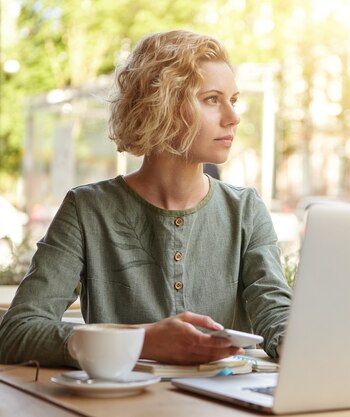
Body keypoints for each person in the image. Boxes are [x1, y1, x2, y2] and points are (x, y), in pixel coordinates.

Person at [0, 30, 292, 367]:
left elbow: (275, 312)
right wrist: (143, 341)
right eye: (212, 99)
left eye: (233, 99)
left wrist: (296, 342)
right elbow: (17, 332)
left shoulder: (245, 210)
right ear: (162, 105)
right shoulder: (88, 210)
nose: (233, 116)